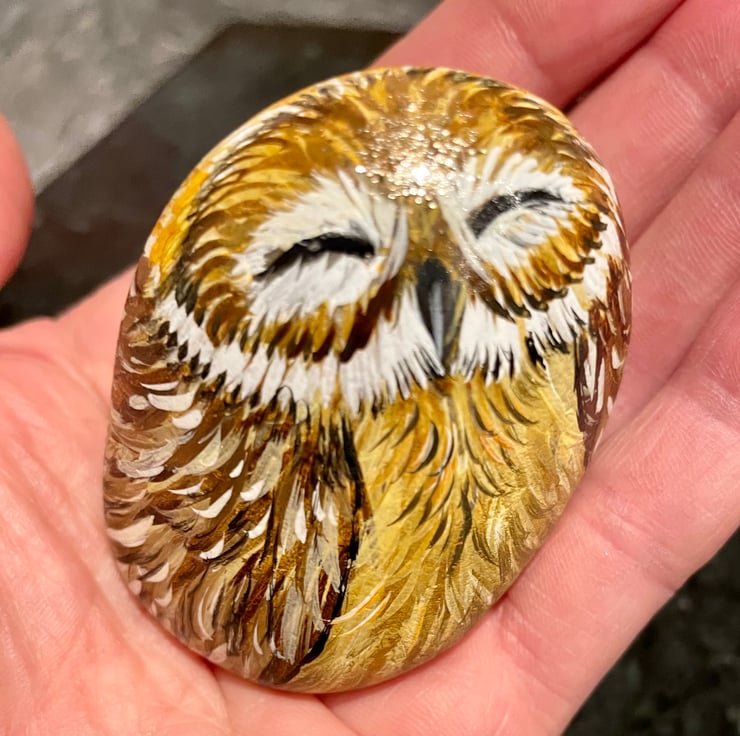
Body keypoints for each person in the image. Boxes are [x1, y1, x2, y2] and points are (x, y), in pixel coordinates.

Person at [1, 0, 738, 733]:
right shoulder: (245, 442)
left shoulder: (572, 349)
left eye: (509, 220)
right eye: (329, 253)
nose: (438, 298)